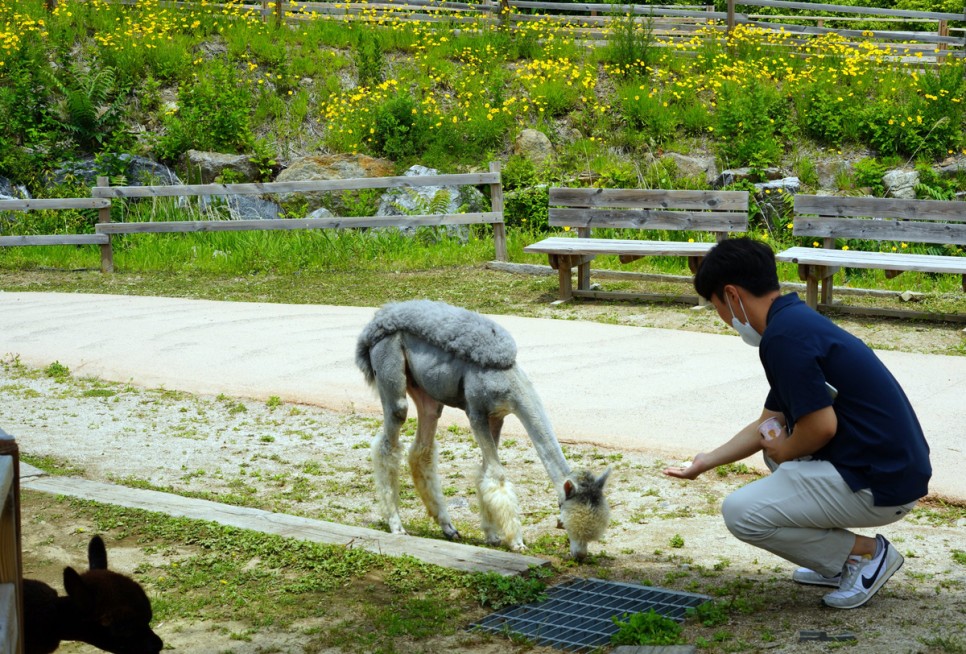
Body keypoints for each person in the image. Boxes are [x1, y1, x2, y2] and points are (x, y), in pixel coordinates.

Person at [664, 237, 931, 609]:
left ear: (731, 295)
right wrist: (706, 461)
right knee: (776, 452)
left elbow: (821, 427)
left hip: (881, 483)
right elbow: (768, 422)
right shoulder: (793, 322)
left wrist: (785, 450)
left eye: (717, 307)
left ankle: (865, 555)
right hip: (892, 469)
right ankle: (834, 560)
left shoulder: (784, 338)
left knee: (742, 512)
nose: (724, 318)